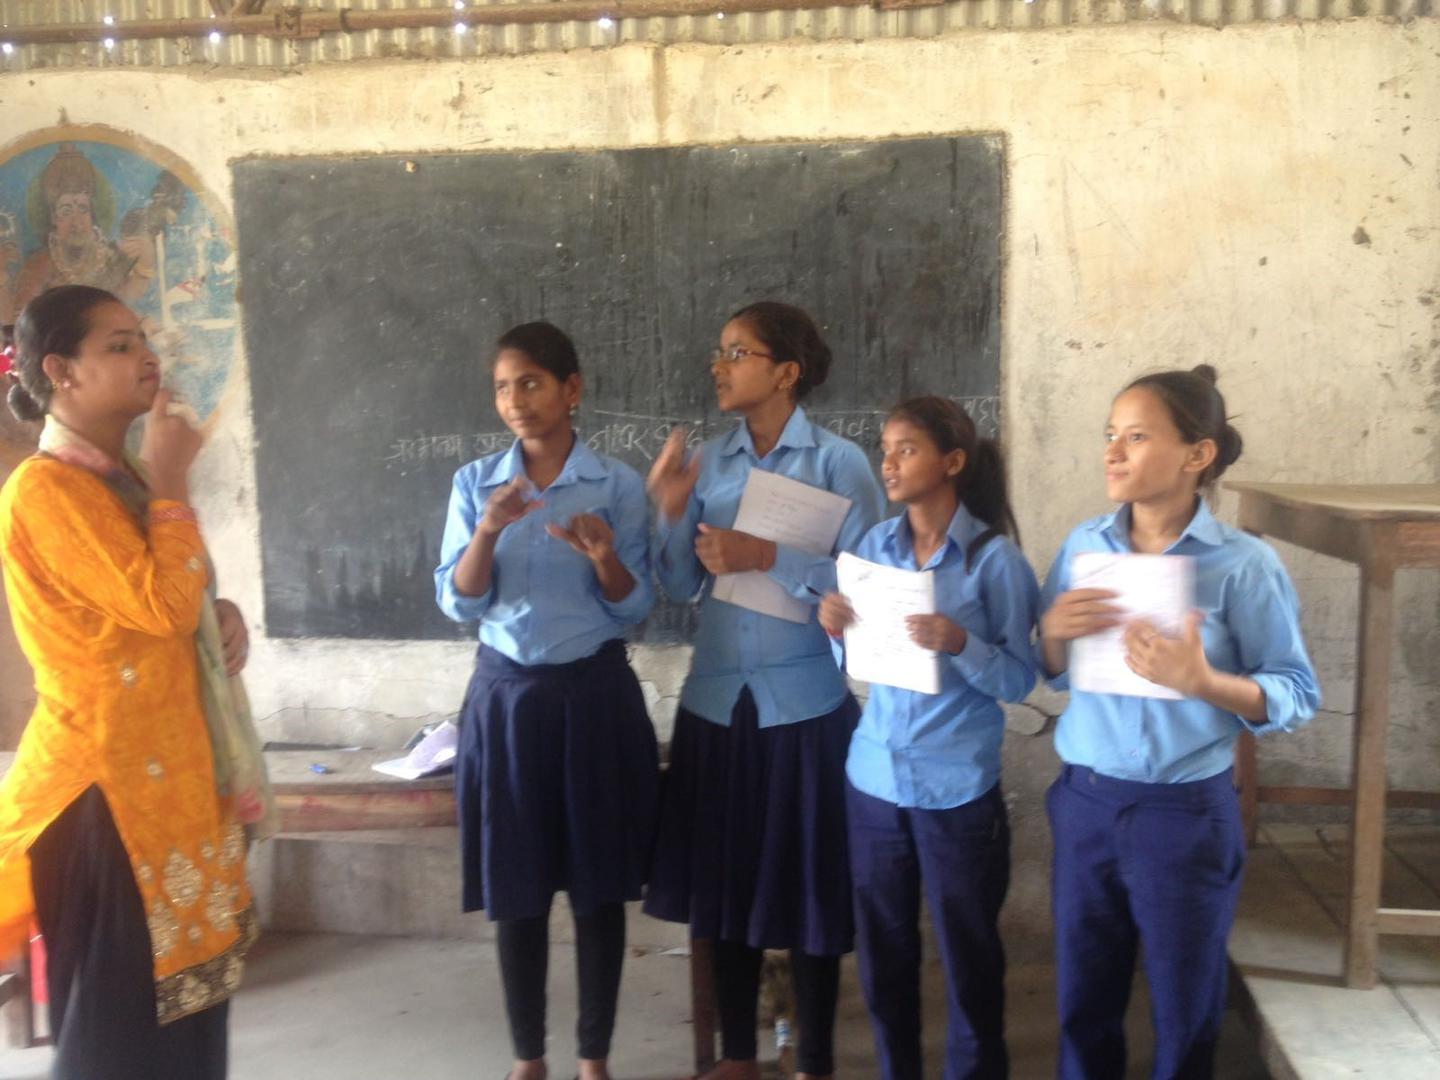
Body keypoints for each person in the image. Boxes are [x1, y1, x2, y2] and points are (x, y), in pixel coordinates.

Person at [0, 284, 271, 1079]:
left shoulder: (120, 478)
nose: (145, 354)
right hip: (104, 797)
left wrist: (219, 619)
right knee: (119, 1039)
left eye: (140, 337)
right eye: (118, 344)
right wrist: (174, 478)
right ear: (61, 371)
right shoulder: (45, 490)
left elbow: (173, 604)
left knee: (190, 1021)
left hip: (170, 784)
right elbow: (158, 602)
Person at [1037, 365, 1320, 1079]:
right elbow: (1044, 668)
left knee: (1185, 1006)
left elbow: (1295, 691)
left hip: (1183, 814)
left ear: (1199, 455)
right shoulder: (1083, 548)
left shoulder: (1242, 566)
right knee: (1083, 997)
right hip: (1087, 801)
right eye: (1110, 435)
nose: (1112, 451)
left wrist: (1207, 683)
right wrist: (1051, 632)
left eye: (1136, 437)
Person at [644, 301, 885, 1080]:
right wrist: (673, 511)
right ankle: (740, 1056)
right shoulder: (710, 462)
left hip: (806, 705)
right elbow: (679, 583)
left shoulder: (840, 464)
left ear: (785, 372)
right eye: (718, 352)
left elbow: (873, 586)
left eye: (737, 352)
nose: (719, 366)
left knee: (810, 891)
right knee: (727, 885)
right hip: (718, 701)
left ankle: (813, 1055)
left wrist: (767, 555)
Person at [434, 321, 658, 1080]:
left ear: (572, 389)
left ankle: (593, 1057)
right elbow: (459, 604)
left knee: (598, 889)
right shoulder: (475, 485)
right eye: (503, 386)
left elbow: (635, 608)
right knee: (517, 887)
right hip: (507, 702)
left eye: (530, 382)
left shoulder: (617, 486)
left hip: (594, 696)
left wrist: (604, 559)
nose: (515, 400)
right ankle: (528, 1057)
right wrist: (489, 532)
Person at [819, 397, 1038, 1080]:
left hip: (955, 789)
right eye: (885, 447)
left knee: (968, 952)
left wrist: (962, 642)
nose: (888, 462)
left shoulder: (993, 560)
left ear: (952, 461)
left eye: (906, 448)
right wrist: (835, 633)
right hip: (876, 781)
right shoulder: (872, 551)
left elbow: (1021, 679)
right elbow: (859, 666)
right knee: (883, 952)